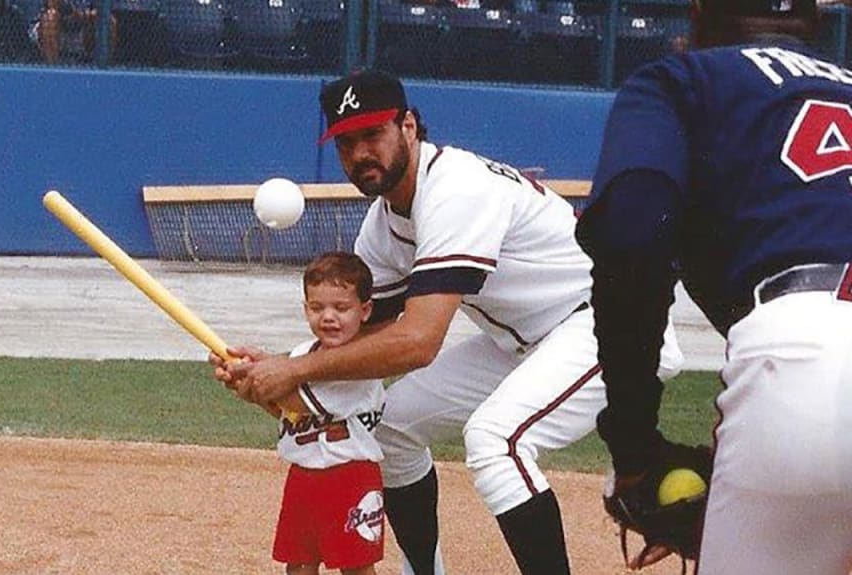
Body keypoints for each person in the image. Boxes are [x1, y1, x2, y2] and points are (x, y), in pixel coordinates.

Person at [212, 69, 684, 575]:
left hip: (612, 327)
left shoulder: (456, 190)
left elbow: (417, 343)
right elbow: (369, 335)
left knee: (496, 440)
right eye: (346, 142)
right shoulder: (381, 228)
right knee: (390, 427)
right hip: (522, 340)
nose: (360, 153)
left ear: (409, 127)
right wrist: (280, 365)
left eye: (373, 134)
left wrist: (295, 374)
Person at [575, 1, 852, 573]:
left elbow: (632, 237)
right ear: (818, 24)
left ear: (698, 15)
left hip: (805, 358)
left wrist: (634, 447)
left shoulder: (680, 80)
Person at [243, 251, 387, 575]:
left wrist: (254, 377)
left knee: (356, 566)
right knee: (299, 562)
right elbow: (286, 411)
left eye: (341, 307)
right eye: (317, 307)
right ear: (305, 308)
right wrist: (250, 373)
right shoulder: (301, 355)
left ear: (365, 311)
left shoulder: (361, 363)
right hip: (303, 476)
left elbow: (295, 401)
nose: (328, 317)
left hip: (350, 476)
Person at [33, 0, 116, 63]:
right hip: (55, 26)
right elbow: (52, 6)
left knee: (109, 21)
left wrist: (83, 15)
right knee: (50, 18)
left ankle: (101, 67)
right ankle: (52, 69)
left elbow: (103, 10)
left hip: (83, 26)